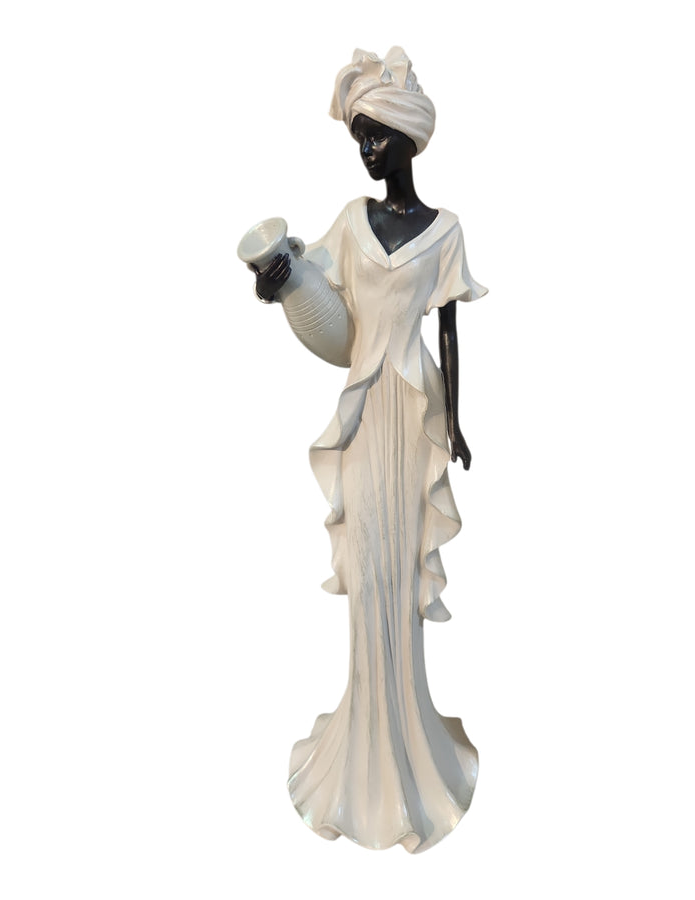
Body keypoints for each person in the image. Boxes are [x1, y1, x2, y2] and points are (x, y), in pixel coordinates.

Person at [251, 47, 486, 853]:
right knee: (370, 575)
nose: (366, 150)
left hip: (412, 415)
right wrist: (276, 282)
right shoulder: (351, 223)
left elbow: (449, 329)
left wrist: (457, 422)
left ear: (408, 138)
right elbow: (309, 282)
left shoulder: (445, 232)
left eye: (376, 135)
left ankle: (410, 745)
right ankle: (361, 748)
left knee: (398, 576)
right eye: (359, 137)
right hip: (362, 416)